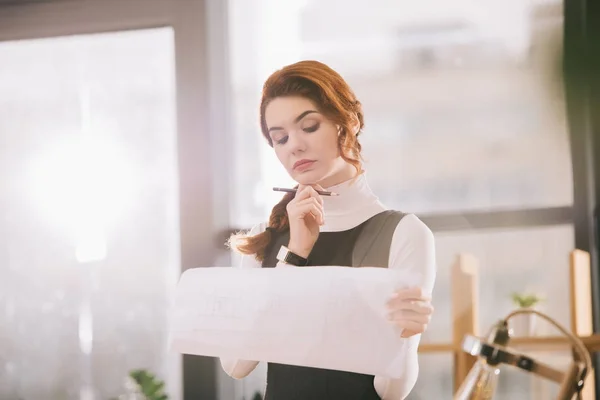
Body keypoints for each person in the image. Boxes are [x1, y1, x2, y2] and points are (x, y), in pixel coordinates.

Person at [220, 60, 436, 400]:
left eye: (309, 126)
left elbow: (391, 391)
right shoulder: (268, 235)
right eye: (280, 138)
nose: (294, 146)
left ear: (345, 122)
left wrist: (404, 335)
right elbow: (236, 364)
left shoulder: (403, 233)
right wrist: (294, 256)